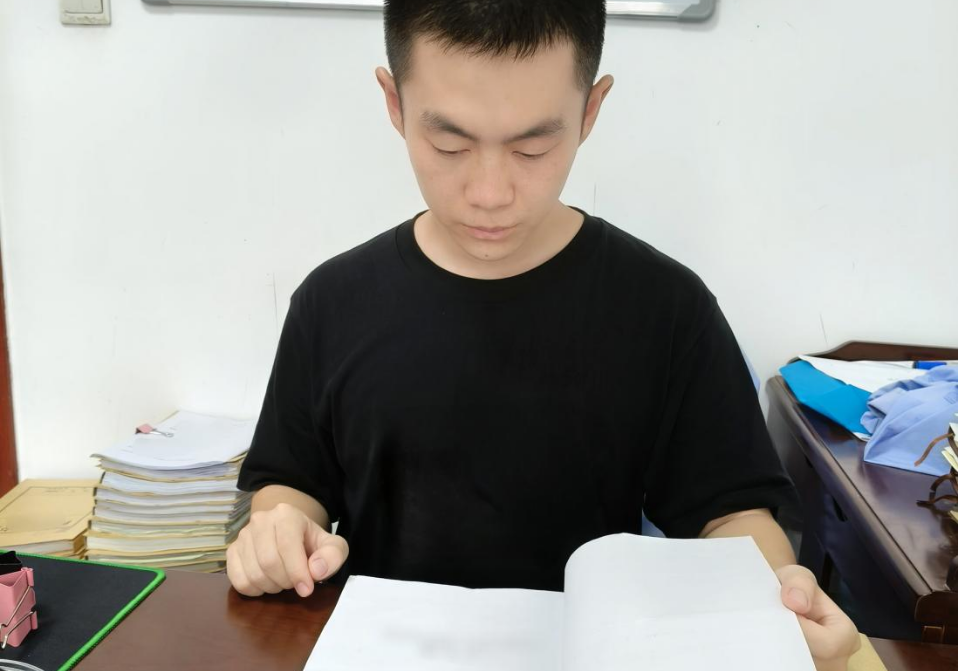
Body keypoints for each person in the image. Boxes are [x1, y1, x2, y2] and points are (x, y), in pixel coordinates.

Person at [227, 1, 860, 668]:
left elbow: (731, 512)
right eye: (450, 145)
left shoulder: (665, 307)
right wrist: (279, 530)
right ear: (394, 103)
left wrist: (776, 600)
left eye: (532, 147)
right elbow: (291, 486)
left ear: (590, 110)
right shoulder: (333, 302)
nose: (490, 192)